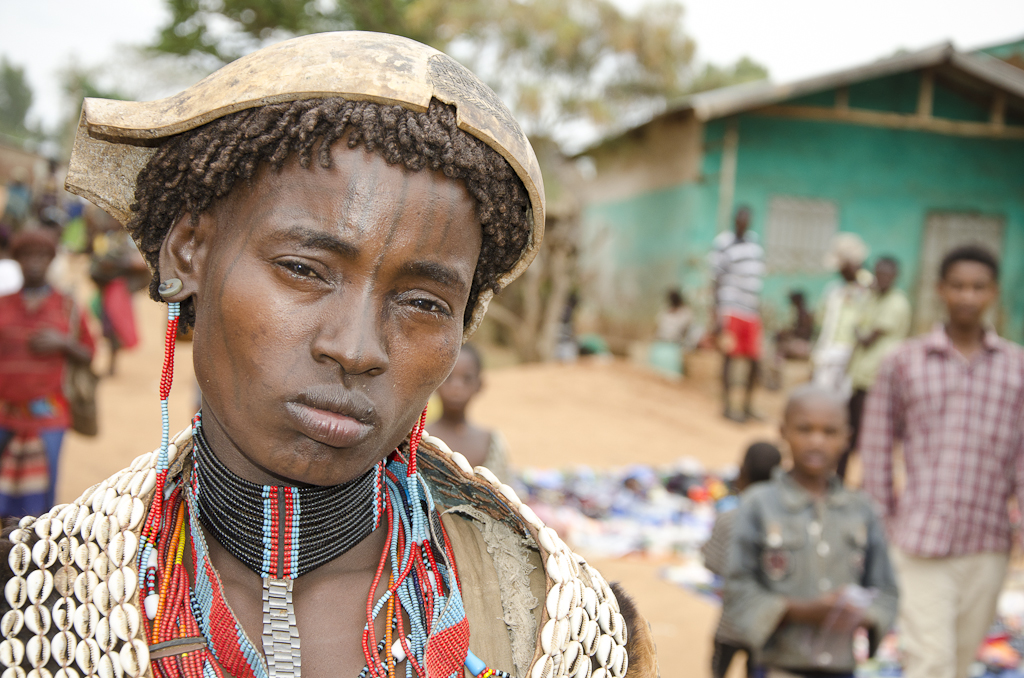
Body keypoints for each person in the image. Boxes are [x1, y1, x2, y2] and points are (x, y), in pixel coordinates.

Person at [1, 32, 658, 678]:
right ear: (189, 252)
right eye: (304, 269)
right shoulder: (33, 598)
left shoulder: (565, 633)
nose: (355, 349)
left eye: (425, 302)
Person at [861, 245, 1024, 678]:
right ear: (940, 291)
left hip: (987, 543)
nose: (967, 296)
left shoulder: (1017, 367)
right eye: (958, 286)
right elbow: (876, 446)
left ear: (992, 293)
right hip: (918, 540)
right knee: (929, 662)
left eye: (978, 287)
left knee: (959, 661)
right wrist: (883, 522)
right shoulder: (903, 361)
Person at [724, 385, 898, 678]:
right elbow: (737, 586)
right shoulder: (760, 504)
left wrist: (861, 615)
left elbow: (886, 590)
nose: (816, 441)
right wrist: (799, 611)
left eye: (830, 432)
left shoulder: (861, 510)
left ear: (847, 438)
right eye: (805, 429)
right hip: (777, 665)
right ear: (783, 431)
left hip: (841, 666)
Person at [0, 229, 95, 516]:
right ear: (17, 261)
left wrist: (63, 343)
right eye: (26, 256)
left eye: (41, 256)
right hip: (5, 414)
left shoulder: (66, 306)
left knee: (42, 501)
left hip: (49, 417)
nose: (33, 263)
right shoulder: (3, 305)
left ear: (50, 261)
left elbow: (89, 354)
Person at [702, 441, 782, 678]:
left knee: (719, 671)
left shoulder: (727, 520)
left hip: (730, 622)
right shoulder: (782, 526)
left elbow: (711, 562)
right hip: (764, 626)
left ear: (741, 474)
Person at [839, 257, 909, 479]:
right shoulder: (873, 298)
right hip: (860, 376)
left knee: (872, 436)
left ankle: (865, 483)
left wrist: (859, 331)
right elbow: (856, 322)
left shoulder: (897, 303)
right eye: (878, 274)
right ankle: (840, 478)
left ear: (895, 277)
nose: (881, 279)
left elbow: (866, 337)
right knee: (849, 431)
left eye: (886, 275)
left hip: (878, 379)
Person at [710, 206, 766, 422]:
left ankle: (747, 406)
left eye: (748, 218)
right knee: (729, 356)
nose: (744, 222)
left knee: (754, 359)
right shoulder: (723, 243)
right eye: (741, 218)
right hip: (730, 308)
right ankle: (727, 406)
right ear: (735, 219)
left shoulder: (755, 243)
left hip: (751, 310)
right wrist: (716, 314)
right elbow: (715, 279)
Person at [427, 344, 511, 482]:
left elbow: (503, 495)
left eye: (467, 379)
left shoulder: (490, 442)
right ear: (435, 381)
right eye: (448, 377)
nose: (456, 387)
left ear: (480, 385)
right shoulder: (418, 438)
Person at [88, 205, 150, 375]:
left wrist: (119, 264)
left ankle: (112, 363)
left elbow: (138, 263)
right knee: (106, 324)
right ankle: (111, 360)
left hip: (117, 291)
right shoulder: (103, 239)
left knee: (113, 325)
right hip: (105, 289)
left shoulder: (125, 240)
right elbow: (98, 263)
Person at [811, 234, 870, 394]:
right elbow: (822, 321)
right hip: (829, 351)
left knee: (844, 396)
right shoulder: (833, 290)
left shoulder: (868, 290)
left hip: (853, 353)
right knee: (821, 395)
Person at [649, 288, 693, 379]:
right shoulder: (665, 311)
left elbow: (686, 330)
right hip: (661, 346)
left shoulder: (685, 313)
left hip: (672, 347)